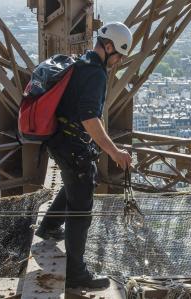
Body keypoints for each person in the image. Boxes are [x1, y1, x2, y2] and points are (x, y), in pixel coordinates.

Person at [35, 22, 133, 289]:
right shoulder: (95, 73)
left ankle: (49, 227)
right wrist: (114, 152)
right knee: (81, 210)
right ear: (109, 46)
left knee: (75, 183)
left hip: (60, 139)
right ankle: (77, 274)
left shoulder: (81, 63)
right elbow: (90, 118)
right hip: (72, 144)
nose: (120, 61)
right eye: (120, 54)